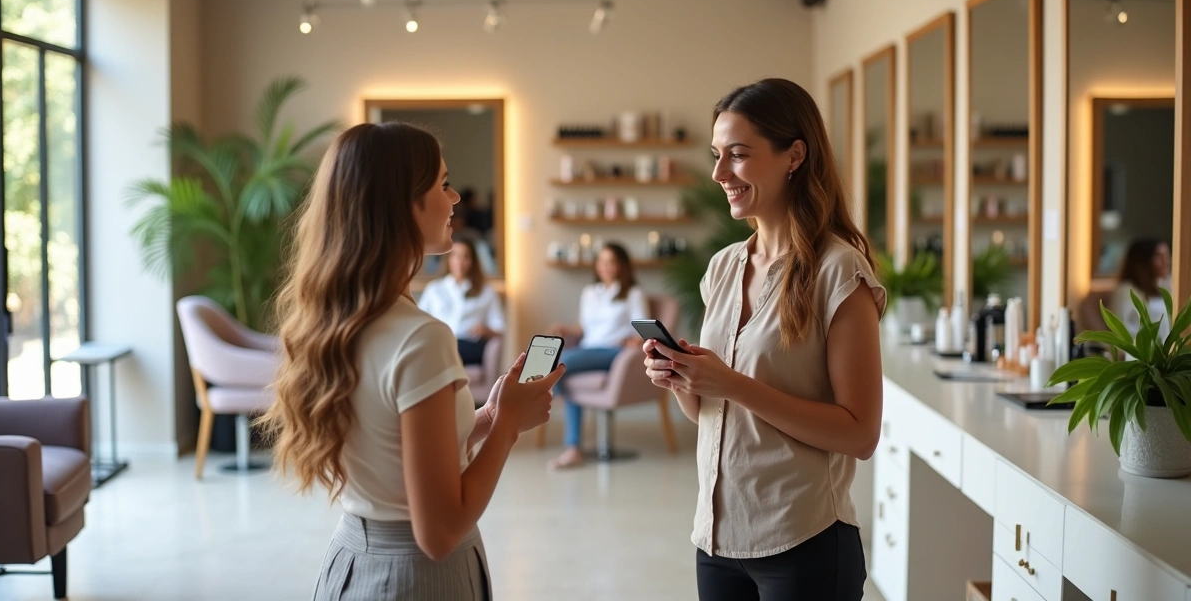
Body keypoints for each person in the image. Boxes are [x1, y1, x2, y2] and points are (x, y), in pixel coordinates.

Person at [258, 122, 565, 601]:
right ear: (403, 204)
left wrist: (485, 417)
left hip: (353, 560)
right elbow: (439, 534)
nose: (457, 197)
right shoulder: (421, 338)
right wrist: (506, 426)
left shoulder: (341, 321)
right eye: (442, 184)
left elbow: (394, 452)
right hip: (416, 578)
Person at [643, 78, 886, 599]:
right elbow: (710, 415)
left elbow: (860, 434)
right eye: (716, 155)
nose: (719, 173)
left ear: (794, 154)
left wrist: (732, 383)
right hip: (717, 539)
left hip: (804, 541)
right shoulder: (724, 268)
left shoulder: (840, 272)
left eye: (738, 155)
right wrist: (685, 379)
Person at [547, 242, 650, 469]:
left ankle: (571, 446)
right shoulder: (590, 292)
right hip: (588, 348)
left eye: (611, 262)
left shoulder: (633, 293)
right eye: (601, 262)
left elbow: (643, 329)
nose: (605, 267)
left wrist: (635, 340)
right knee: (562, 372)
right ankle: (573, 448)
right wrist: (566, 329)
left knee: (559, 365)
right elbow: (582, 328)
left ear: (622, 266)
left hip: (614, 352)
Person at [418, 237, 505, 366]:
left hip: (470, 345)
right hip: (442, 342)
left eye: (466, 257)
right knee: (439, 348)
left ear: (473, 261)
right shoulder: (434, 289)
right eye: (456, 256)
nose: (460, 262)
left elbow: (499, 326)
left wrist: (486, 330)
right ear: (448, 259)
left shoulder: (486, 291)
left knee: (445, 351)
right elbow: (419, 320)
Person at [1112, 237, 1172, 338]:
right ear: (1143, 261)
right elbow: (1123, 329)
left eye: (1167, 256)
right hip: (1144, 351)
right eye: (1159, 256)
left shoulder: (1164, 286)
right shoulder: (1127, 291)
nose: (1166, 261)